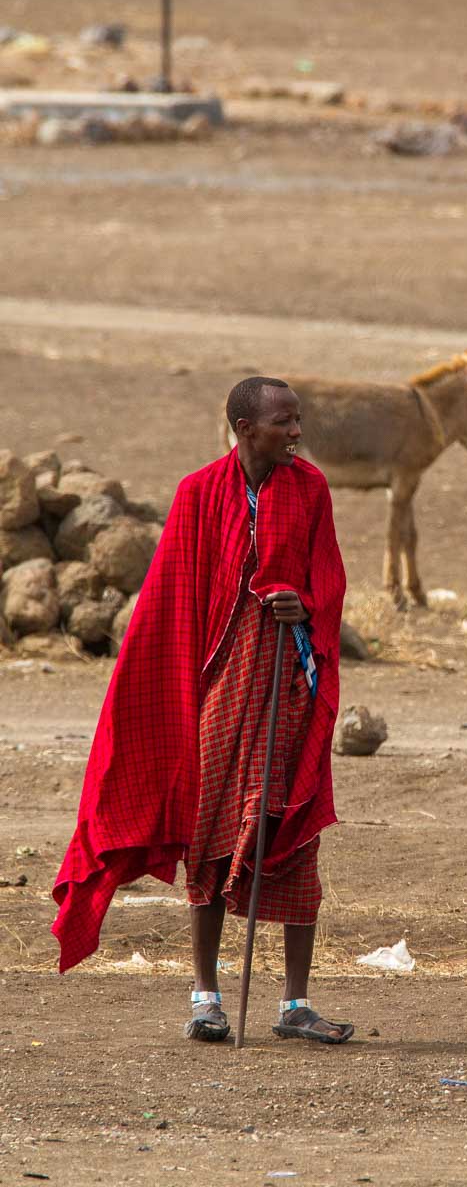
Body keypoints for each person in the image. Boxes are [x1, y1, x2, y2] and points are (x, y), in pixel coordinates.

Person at [52, 376, 354, 1045]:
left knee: (295, 832)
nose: (297, 433)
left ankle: (294, 1004)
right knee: (211, 838)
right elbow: (174, 600)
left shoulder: (311, 492)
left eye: (299, 420)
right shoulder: (198, 494)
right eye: (284, 422)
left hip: (289, 686)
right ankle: (205, 995)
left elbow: (328, 576)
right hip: (219, 688)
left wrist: (302, 605)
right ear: (245, 429)